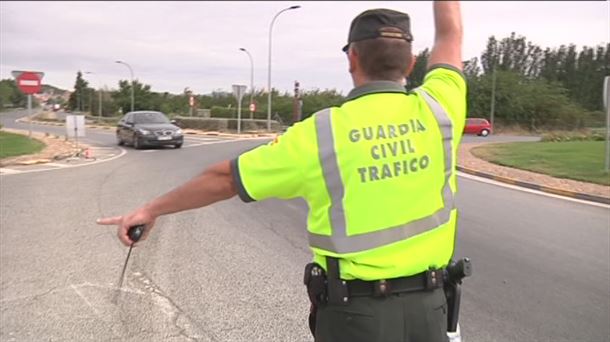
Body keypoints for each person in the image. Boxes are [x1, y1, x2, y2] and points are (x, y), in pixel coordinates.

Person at [98, 1, 465, 341]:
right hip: (430, 313)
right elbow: (451, 33)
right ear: (412, 62)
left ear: (352, 58)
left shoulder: (321, 135)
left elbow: (224, 179)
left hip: (357, 318)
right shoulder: (441, 109)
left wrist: (150, 210)